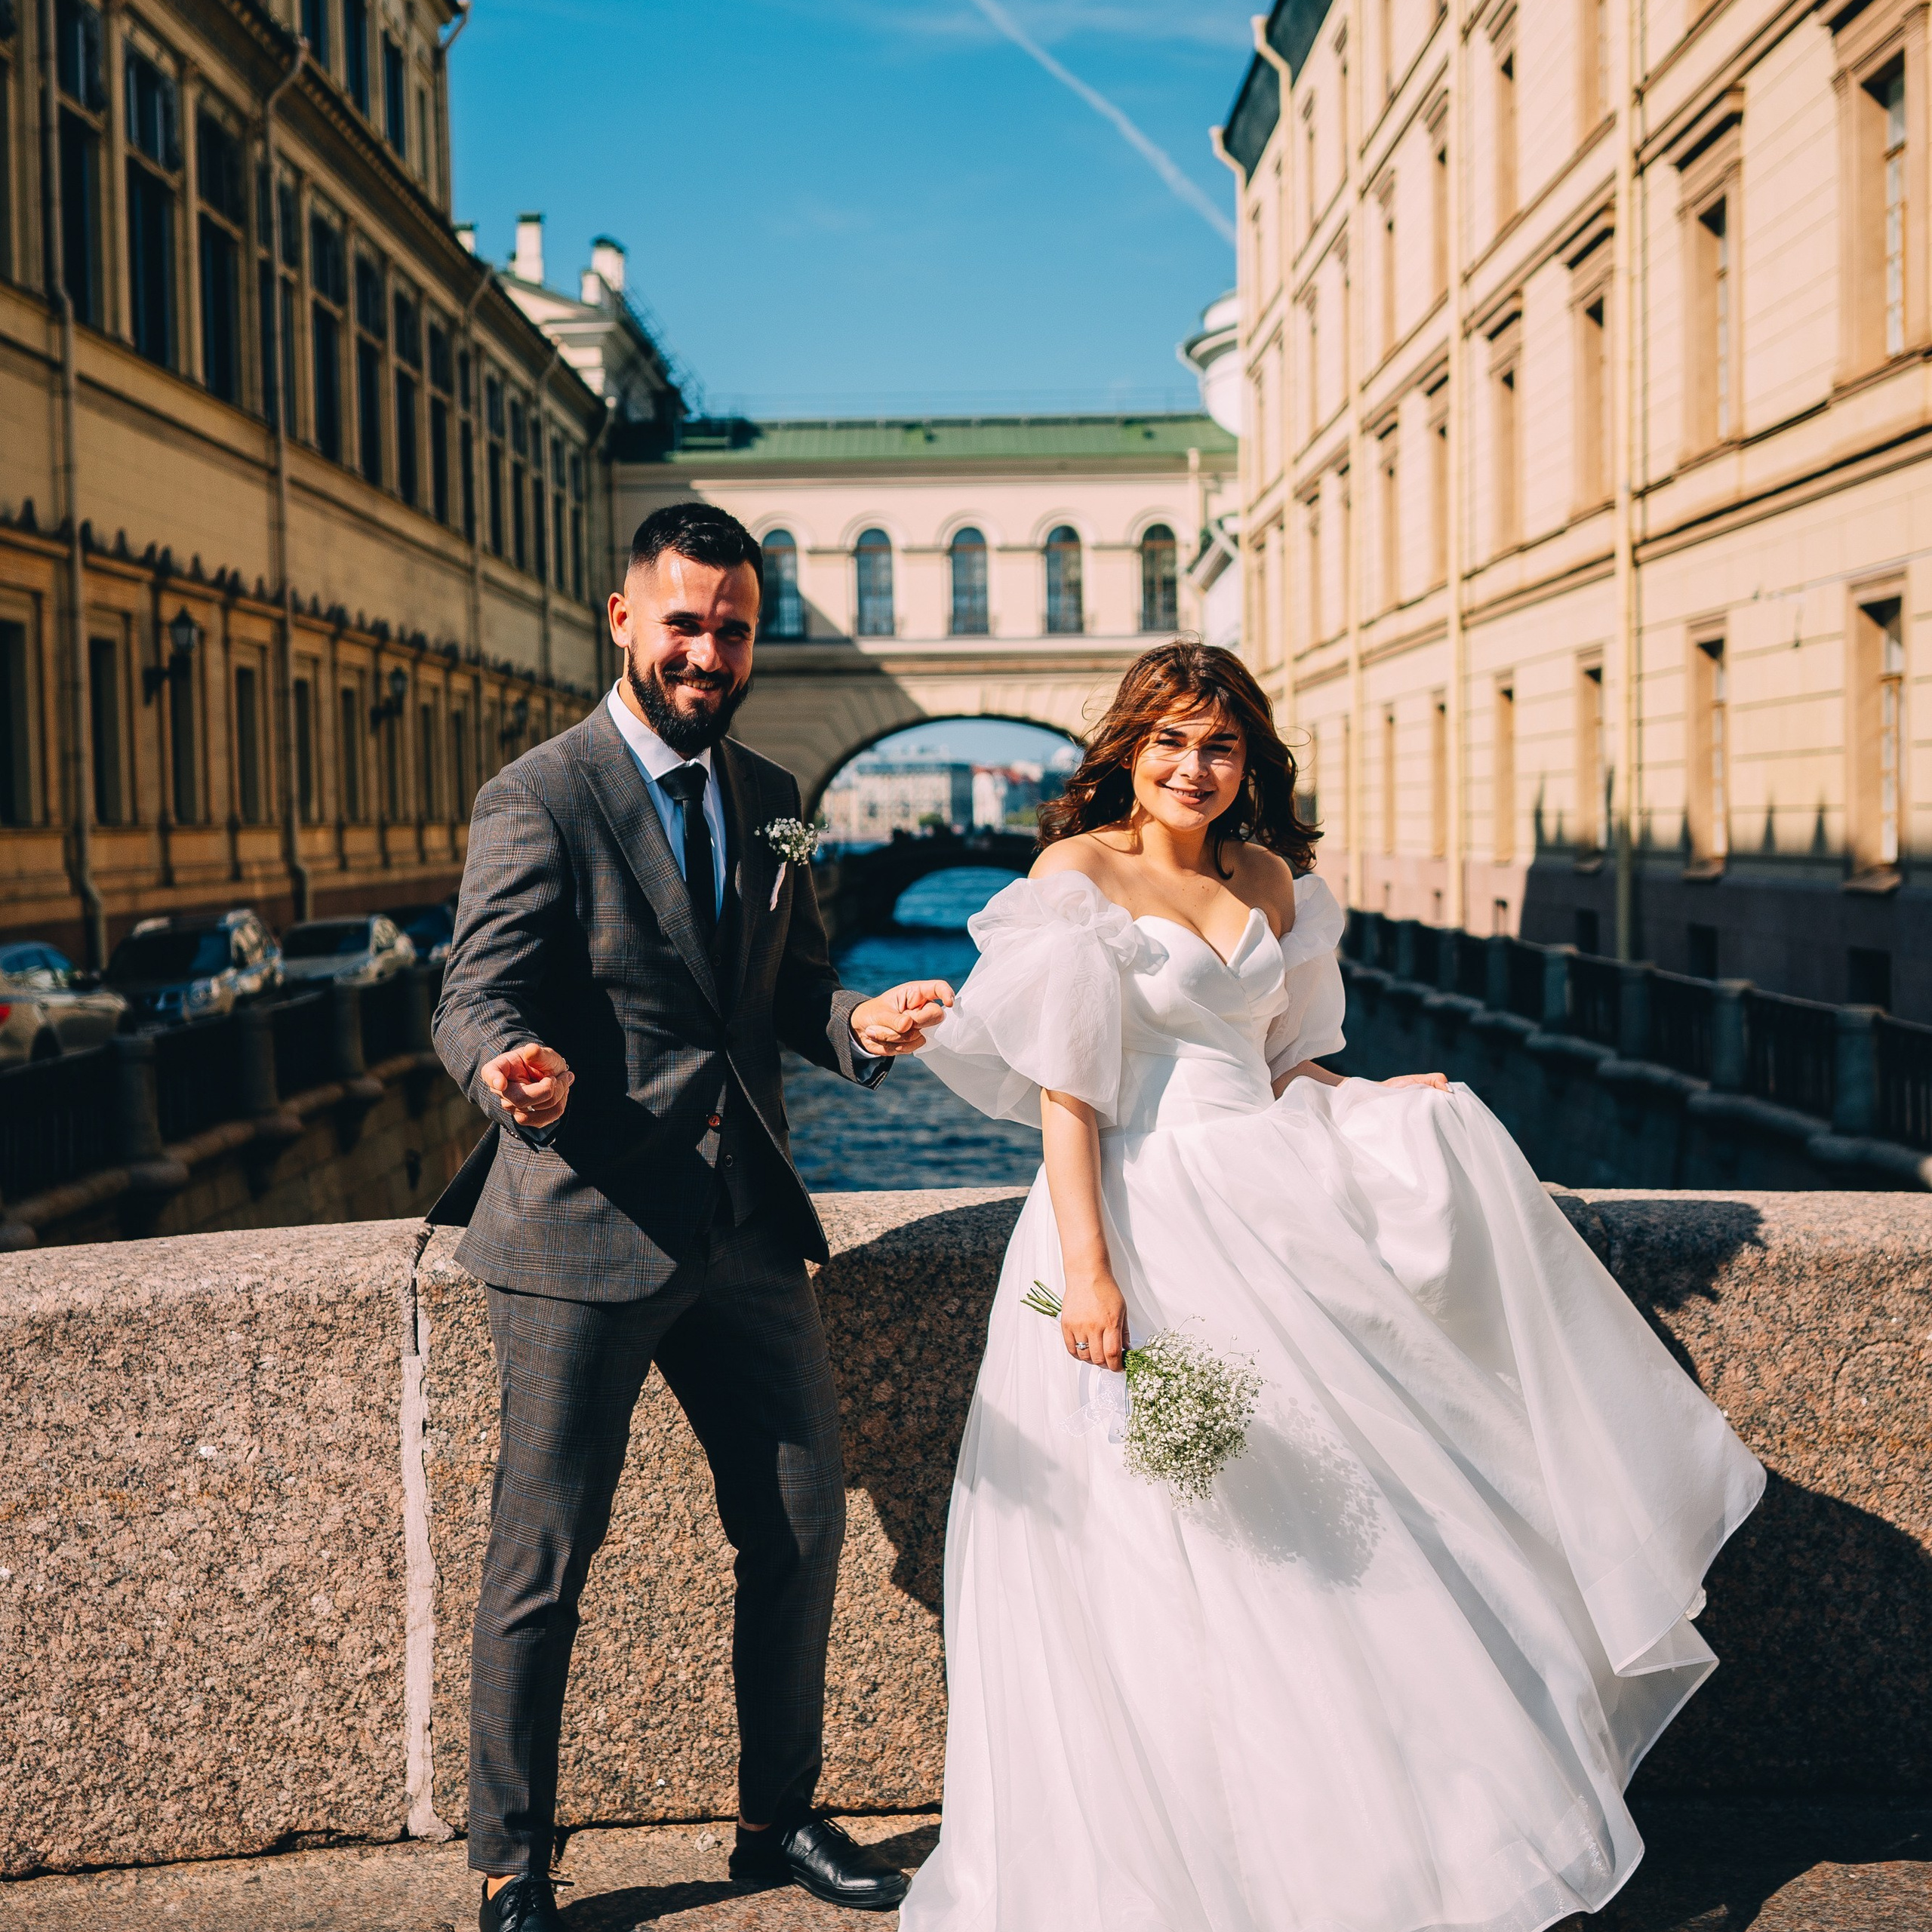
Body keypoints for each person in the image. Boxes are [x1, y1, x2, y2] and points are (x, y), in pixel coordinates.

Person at [902, 642, 1764, 1932]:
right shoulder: (1077, 876)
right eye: (1170, 743)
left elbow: (1287, 1062)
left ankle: (1363, 1853)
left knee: (1338, 1523)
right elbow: (1068, 1097)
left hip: (1272, 1205)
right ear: (1129, 753)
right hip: (1137, 1216)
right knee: (1158, 1538)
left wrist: (1374, 1098)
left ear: (1251, 759)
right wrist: (1089, 1276)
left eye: (1221, 745)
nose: (1195, 768)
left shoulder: (1274, 879)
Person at [431, 503, 952, 1932]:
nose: (706, 650)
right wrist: (505, 1072)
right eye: (683, 623)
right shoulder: (541, 794)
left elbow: (786, 994)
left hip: (742, 1230)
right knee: (545, 1558)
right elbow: (474, 993)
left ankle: (775, 1822)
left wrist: (863, 1025)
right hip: (580, 1229)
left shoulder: (777, 789)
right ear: (623, 620)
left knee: (797, 1528)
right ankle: (512, 1860)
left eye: (730, 627)